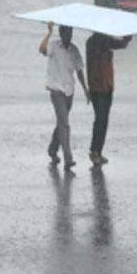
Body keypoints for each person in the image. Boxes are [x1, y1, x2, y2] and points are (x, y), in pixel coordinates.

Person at [39, 23, 90, 171]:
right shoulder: (54, 46)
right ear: (61, 33)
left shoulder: (74, 50)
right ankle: (68, 158)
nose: (68, 35)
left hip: (69, 92)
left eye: (70, 32)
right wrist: (48, 33)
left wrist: (86, 90)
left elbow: (79, 71)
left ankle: (52, 150)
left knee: (62, 123)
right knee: (65, 125)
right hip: (56, 91)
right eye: (65, 32)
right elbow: (41, 49)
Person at [86, 32, 132, 165]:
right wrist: (126, 39)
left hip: (105, 86)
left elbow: (121, 44)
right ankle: (95, 152)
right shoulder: (97, 41)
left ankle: (97, 151)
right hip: (99, 87)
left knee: (102, 120)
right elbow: (120, 45)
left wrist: (126, 39)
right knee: (101, 120)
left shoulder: (97, 40)